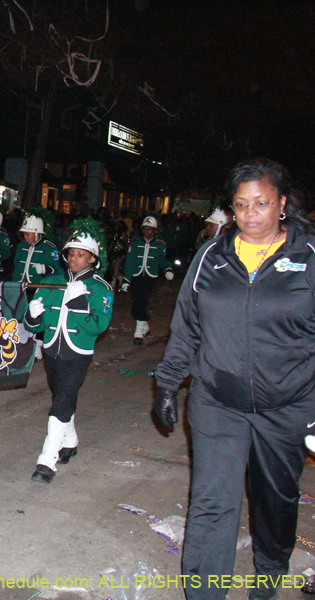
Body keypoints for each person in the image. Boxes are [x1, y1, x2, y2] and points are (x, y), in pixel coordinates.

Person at [154, 158, 315, 600]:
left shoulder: (309, 257)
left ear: (281, 204)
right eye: (241, 204)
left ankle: (268, 573)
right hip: (217, 401)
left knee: (274, 501)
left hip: (288, 405)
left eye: (261, 203)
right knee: (211, 503)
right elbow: (187, 323)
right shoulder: (212, 255)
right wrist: (168, 382)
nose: (250, 214)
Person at [23, 219, 113, 484]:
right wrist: (32, 314)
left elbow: (98, 326)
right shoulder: (51, 281)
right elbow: (34, 325)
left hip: (78, 353)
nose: (74, 259)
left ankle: (47, 460)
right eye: (71, 253)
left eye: (80, 254)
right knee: (63, 394)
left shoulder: (100, 288)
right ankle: (70, 441)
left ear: (92, 259)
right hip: (52, 349)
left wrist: (79, 302)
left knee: (61, 400)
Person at [12, 209, 62, 361]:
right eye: (24, 233)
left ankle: (38, 347)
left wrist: (45, 269)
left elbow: (57, 269)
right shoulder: (21, 246)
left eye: (28, 233)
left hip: (39, 288)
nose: (25, 236)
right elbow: (16, 267)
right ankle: (21, 344)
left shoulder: (49, 247)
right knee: (20, 314)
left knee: (39, 316)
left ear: (37, 233)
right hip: (22, 286)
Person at [121, 215, 173, 345]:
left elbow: (162, 260)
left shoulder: (160, 245)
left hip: (150, 277)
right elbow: (129, 262)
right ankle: (145, 325)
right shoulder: (136, 243)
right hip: (136, 276)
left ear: (155, 230)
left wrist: (168, 269)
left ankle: (139, 333)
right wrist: (126, 280)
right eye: (145, 229)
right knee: (135, 303)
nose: (147, 232)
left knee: (142, 302)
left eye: (150, 229)